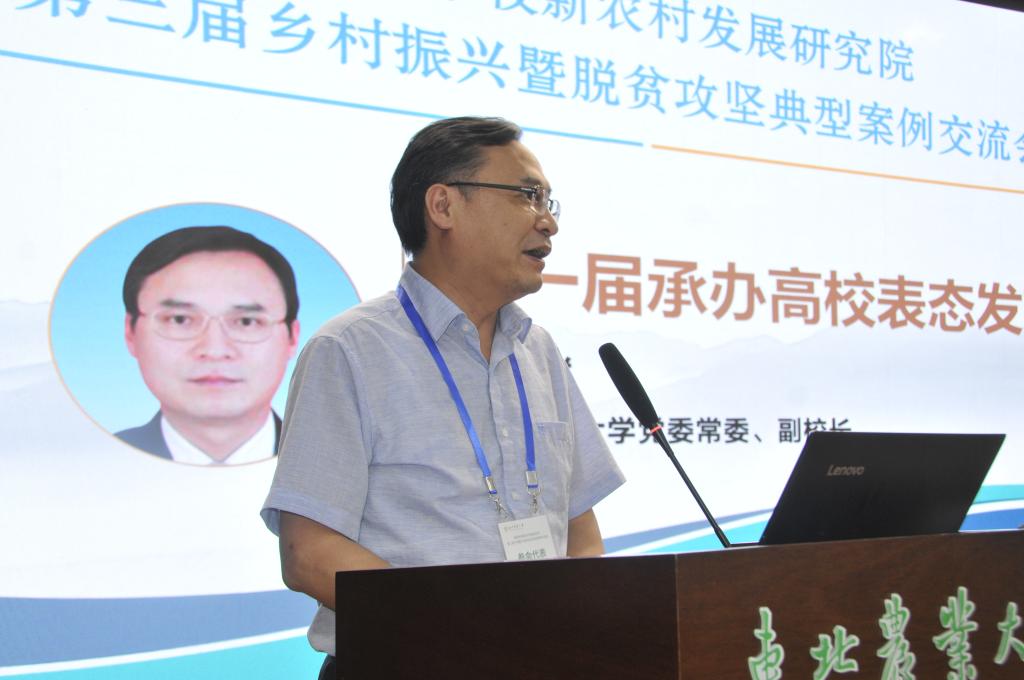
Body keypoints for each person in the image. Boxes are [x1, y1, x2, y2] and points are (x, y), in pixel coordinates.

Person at [261, 117, 625, 678]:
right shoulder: (350, 350)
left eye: (549, 201)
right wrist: (467, 632)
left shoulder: (538, 351)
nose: (548, 222)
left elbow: (580, 530)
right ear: (443, 206)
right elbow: (309, 554)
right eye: (528, 195)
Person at [117, 226, 300, 465]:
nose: (214, 351)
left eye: (246, 322)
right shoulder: (90, 463)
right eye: (179, 320)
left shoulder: (335, 461)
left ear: (292, 338)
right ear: (130, 333)